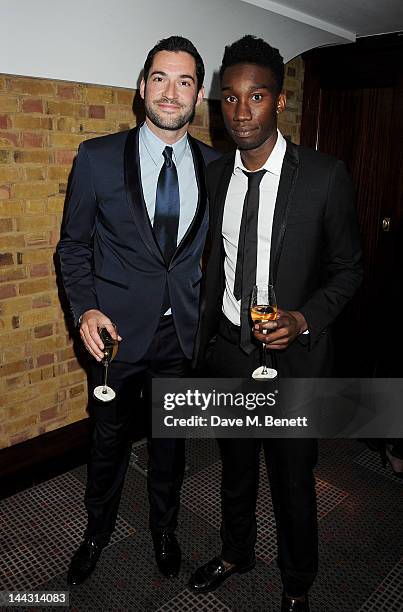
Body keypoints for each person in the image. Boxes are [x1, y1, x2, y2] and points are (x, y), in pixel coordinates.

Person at [189, 35, 362, 612]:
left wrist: (304, 318)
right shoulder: (215, 175)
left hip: (297, 359)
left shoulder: (325, 176)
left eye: (256, 97)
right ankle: (236, 552)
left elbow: (348, 269)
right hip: (233, 352)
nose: (241, 112)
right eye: (230, 99)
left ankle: (296, 584)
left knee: (293, 481)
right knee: (235, 467)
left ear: (279, 101)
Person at [57, 35, 219, 586]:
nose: (170, 92)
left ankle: (164, 530)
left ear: (199, 95)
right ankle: (97, 531)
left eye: (184, 81)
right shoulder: (98, 158)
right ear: (141, 86)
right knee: (107, 444)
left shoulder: (217, 167)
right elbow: (73, 247)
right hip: (116, 338)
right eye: (160, 78)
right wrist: (85, 312)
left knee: (171, 445)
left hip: (181, 338)